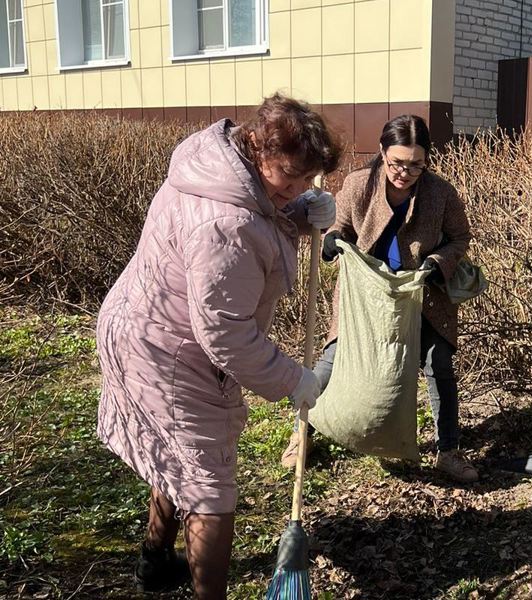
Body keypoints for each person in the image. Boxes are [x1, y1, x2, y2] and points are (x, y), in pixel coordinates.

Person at [95, 93, 341, 599]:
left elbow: (257, 209)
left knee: (176, 453)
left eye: (304, 181)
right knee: (210, 486)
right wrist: (296, 378)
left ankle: (154, 561)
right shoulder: (224, 222)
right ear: (257, 149)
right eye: (287, 178)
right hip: (168, 352)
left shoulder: (216, 166)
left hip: (141, 325)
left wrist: (295, 213)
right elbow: (225, 332)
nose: (293, 188)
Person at [280, 114, 479, 483]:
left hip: (421, 295)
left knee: (439, 364)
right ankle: (301, 433)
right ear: (383, 152)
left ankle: (448, 450)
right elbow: (338, 227)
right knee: (333, 358)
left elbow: (460, 238)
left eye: (416, 165)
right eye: (397, 163)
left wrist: (438, 263)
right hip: (365, 294)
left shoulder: (441, 194)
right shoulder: (359, 185)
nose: (405, 172)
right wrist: (332, 241)